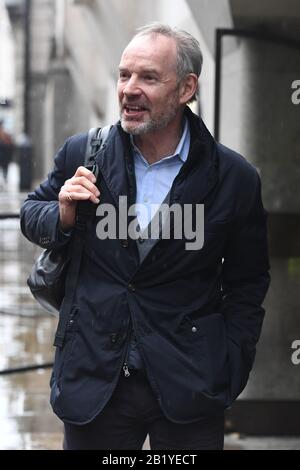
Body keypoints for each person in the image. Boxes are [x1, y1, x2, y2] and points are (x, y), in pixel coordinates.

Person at [20, 23, 270, 450]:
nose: (129, 89)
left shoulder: (234, 178)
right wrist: (62, 216)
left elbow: (248, 282)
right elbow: (30, 213)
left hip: (189, 383)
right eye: (124, 75)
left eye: (148, 78)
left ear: (186, 88)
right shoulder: (84, 153)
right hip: (95, 378)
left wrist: (229, 364)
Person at [0, 119, 14, 187]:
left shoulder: (5, 134)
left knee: (4, 169)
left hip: (4, 156)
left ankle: (5, 180)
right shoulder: (5, 134)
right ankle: (4, 180)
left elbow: (10, 145)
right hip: (4, 156)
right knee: (4, 169)